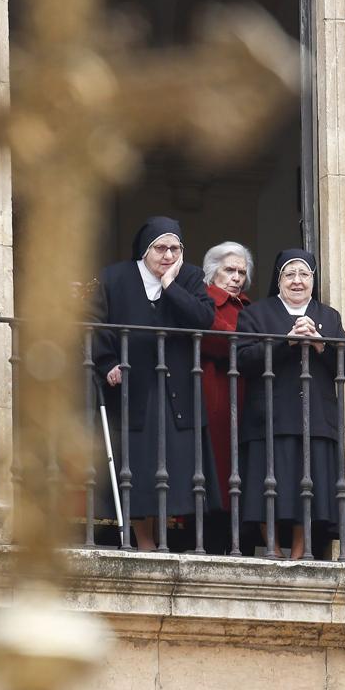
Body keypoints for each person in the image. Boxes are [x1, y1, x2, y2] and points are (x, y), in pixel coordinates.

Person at [91, 216, 220, 551]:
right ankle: (145, 540)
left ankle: (166, 538)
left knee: (174, 468)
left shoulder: (189, 277)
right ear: (145, 250)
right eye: (161, 248)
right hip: (132, 389)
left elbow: (203, 319)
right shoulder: (115, 277)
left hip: (175, 388)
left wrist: (170, 285)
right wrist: (107, 362)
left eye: (175, 248)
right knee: (137, 467)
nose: (168, 255)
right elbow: (93, 324)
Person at [236, 248, 345, 559]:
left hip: (314, 416)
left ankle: (300, 552)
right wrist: (286, 341)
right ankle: (273, 549)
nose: (297, 281)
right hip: (269, 416)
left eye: (304, 274)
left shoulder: (328, 317)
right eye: (289, 274)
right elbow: (242, 359)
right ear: (279, 281)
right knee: (269, 486)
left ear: (312, 280)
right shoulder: (256, 314)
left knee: (309, 488)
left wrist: (320, 344)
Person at [201, 242, 253, 515]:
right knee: (217, 468)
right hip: (215, 391)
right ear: (212, 272)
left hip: (246, 395)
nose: (236, 277)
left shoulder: (249, 308)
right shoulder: (204, 301)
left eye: (241, 273)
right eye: (229, 270)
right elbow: (214, 339)